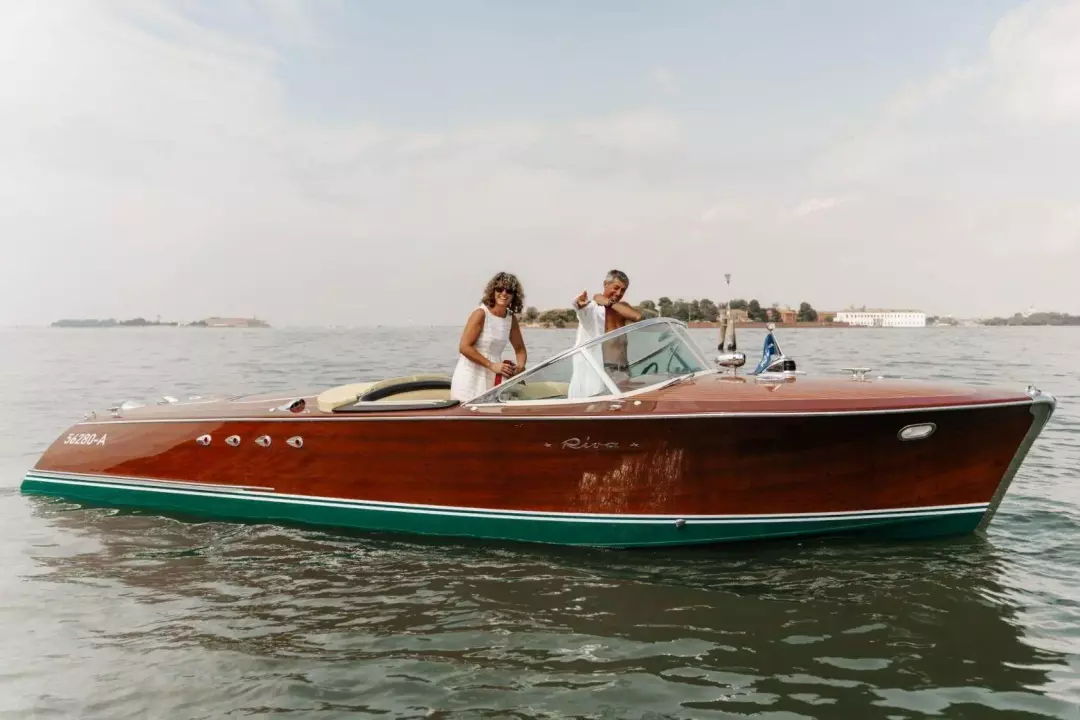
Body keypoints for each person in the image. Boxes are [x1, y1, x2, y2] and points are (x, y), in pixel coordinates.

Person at [450, 272, 528, 402]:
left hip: (493, 377)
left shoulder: (510, 319)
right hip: (470, 377)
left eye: (509, 290)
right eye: (500, 289)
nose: (504, 293)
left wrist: (520, 366)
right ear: (493, 291)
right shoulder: (480, 314)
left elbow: (520, 349)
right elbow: (464, 347)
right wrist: (491, 365)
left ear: (514, 295)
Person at [568, 269, 643, 397]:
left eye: (623, 290)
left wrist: (608, 303)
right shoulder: (592, 308)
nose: (619, 293)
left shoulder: (621, 308)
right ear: (605, 284)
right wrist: (578, 303)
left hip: (624, 370)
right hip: (604, 372)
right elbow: (579, 308)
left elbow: (638, 317)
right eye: (616, 288)